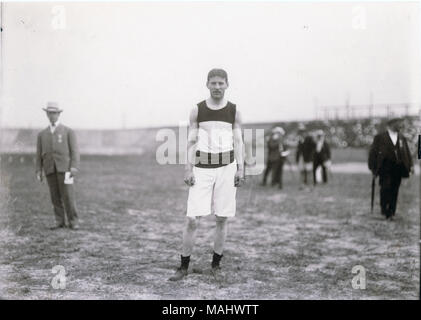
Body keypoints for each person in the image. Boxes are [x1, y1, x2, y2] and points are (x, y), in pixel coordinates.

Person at [169, 69, 245, 281]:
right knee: (192, 219)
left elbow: (238, 142)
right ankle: (184, 266)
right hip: (202, 168)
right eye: (214, 83)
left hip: (226, 168)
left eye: (221, 83)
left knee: (222, 218)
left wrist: (241, 168)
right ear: (207, 84)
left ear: (227, 84)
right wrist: (188, 168)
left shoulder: (234, 111)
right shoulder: (197, 110)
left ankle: (216, 265)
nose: (217, 87)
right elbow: (192, 140)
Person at [35, 102, 80, 230]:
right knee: (54, 196)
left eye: (54, 113)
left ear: (59, 114)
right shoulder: (42, 134)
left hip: (66, 170)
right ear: (46, 114)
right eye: (50, 113)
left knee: (68, 196)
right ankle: (59, 221)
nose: (52, 116)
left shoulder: (68, 131)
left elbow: (75, 151)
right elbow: (38, 154)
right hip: (50, 169)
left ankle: (73, 221)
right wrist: (39, 170)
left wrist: (74, 167)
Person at [368, 117, 414, 220]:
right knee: (385, 188)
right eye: (398, 123)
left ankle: (392, 211)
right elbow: (373, 154)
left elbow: (407, 153)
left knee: (395, 189)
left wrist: (410, 166)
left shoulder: (402, 138)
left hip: (398, 168)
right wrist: (373, 168)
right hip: (385, 168)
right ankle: (385, 209)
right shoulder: (379, 138)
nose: (400, 125)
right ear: (391, 124)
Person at [295, 123, 315, 189]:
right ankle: (302, 185)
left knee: (309, 172)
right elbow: (298, 149)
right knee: (302, 172)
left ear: (305, 131)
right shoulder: (300, 139)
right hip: (302, 158)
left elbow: (313, 147)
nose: (301, 133)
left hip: (308, 158)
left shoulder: (309, 138)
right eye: (300, 131)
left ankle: (310, 186)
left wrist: (311, 156)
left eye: (302, 131)